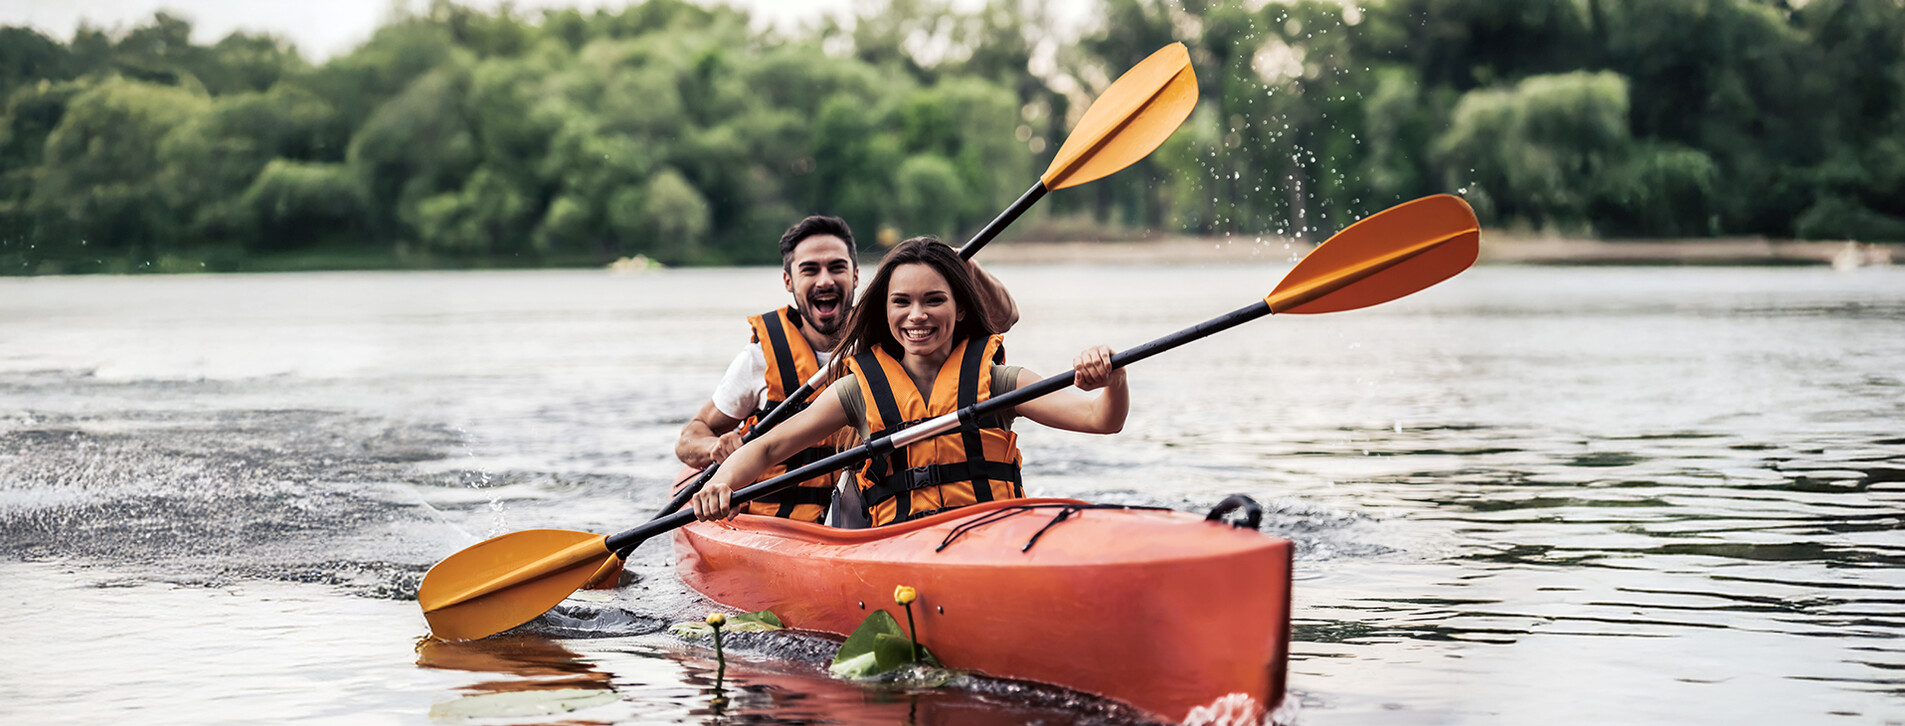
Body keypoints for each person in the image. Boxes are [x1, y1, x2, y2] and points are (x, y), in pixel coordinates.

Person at [691, 236, 1126, 526]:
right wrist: (719, 484)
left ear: (959, 310)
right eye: (901, 302)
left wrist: (1113, 376)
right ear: (885, 311)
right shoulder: (858, 390)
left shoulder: (997, 381)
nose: (916, 315)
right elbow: (768, 446)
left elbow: (1101, 419)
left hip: (993, 534)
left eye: (934, 300)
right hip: (899, 546)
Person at [675, 218, 1018, 525]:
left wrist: (964, 268)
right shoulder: (758, 360)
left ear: (855, 275)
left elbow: (1001, 320)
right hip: (778, 519)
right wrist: (715, 450)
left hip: (865, 511)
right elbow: (691, 435)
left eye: (836, 267)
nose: (825, 280)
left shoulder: (895, 338)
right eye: (810, 269)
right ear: (788, 281)